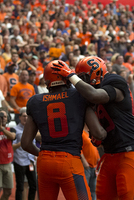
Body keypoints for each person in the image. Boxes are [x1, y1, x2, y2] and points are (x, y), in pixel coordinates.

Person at [52, 57, 134, 200]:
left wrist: (71, 76)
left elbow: (94, 95)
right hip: (109, 155)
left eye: (84, 77)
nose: (82, 82)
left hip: (129, 153)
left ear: (96, 72)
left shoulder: (114, 81)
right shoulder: (91, 92)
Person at [21, 60, 107, 200]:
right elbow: (98, 133)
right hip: (69, 160)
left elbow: (25, 143)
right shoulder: (78, 97)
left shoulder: (35, 101)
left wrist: (43, 155)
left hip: (45, 162)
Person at [13, 107, 37, 200]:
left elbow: (34, 143)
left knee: (33, 186)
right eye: (23, 116)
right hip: (19, 160)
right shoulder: (15, 130)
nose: (25, 118)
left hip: (30, 160)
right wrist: (23, 142)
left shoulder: (32, 129)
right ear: (19, 117)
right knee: (20, 186)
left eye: (27, 116)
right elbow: (12, 147)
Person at [81, 127, 100, 200]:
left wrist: (98, 159)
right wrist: (84, 161)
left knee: (94, 189)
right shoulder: (82, 134)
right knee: (85, 189)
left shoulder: (90, 134)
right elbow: (79, 148)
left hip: (94, 166)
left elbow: (94, 148)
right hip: (86, 167)